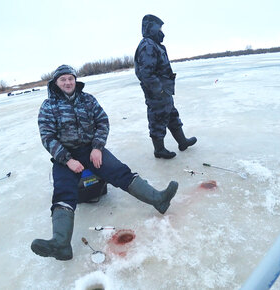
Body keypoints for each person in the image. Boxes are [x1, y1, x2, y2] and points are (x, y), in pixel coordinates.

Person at [31, 65, 178, 260]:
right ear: (56, 83)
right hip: (65, 157)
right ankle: (61, 244)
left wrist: (97, 147)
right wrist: (68, 160)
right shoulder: (48, 106)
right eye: (63, 79)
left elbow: (102, 122)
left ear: (75, 80)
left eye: (70, 78)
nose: (67, 82)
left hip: (91, 149)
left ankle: (158, 200)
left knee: (121, 172)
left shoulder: (87, 99)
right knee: (63, 192)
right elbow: (47, 137)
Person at [134, 14, 196, 159]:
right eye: (159, 27)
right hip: (157, 92)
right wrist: (159, 89)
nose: (161, 31)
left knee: (172, 115)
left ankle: (182, 142)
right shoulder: (147, 45)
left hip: (164, 90)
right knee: (158, 119)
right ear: (152, 28)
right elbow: (146, 73)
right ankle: (159, 150)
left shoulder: (153, 44)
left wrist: (164, 89)